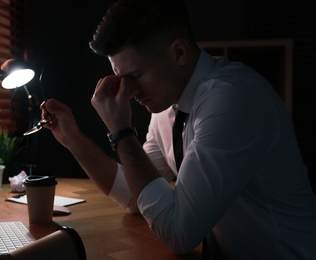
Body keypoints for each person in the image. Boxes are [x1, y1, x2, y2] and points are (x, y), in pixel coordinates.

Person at [40, 0, 316, 258]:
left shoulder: (233, 100)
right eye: (121, 78)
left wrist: (121, 132)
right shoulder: (167, 107)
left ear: (179, 52)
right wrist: (74, 140)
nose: (129, 91)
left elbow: (178, 233)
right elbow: (136, 197)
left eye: (134, 76)